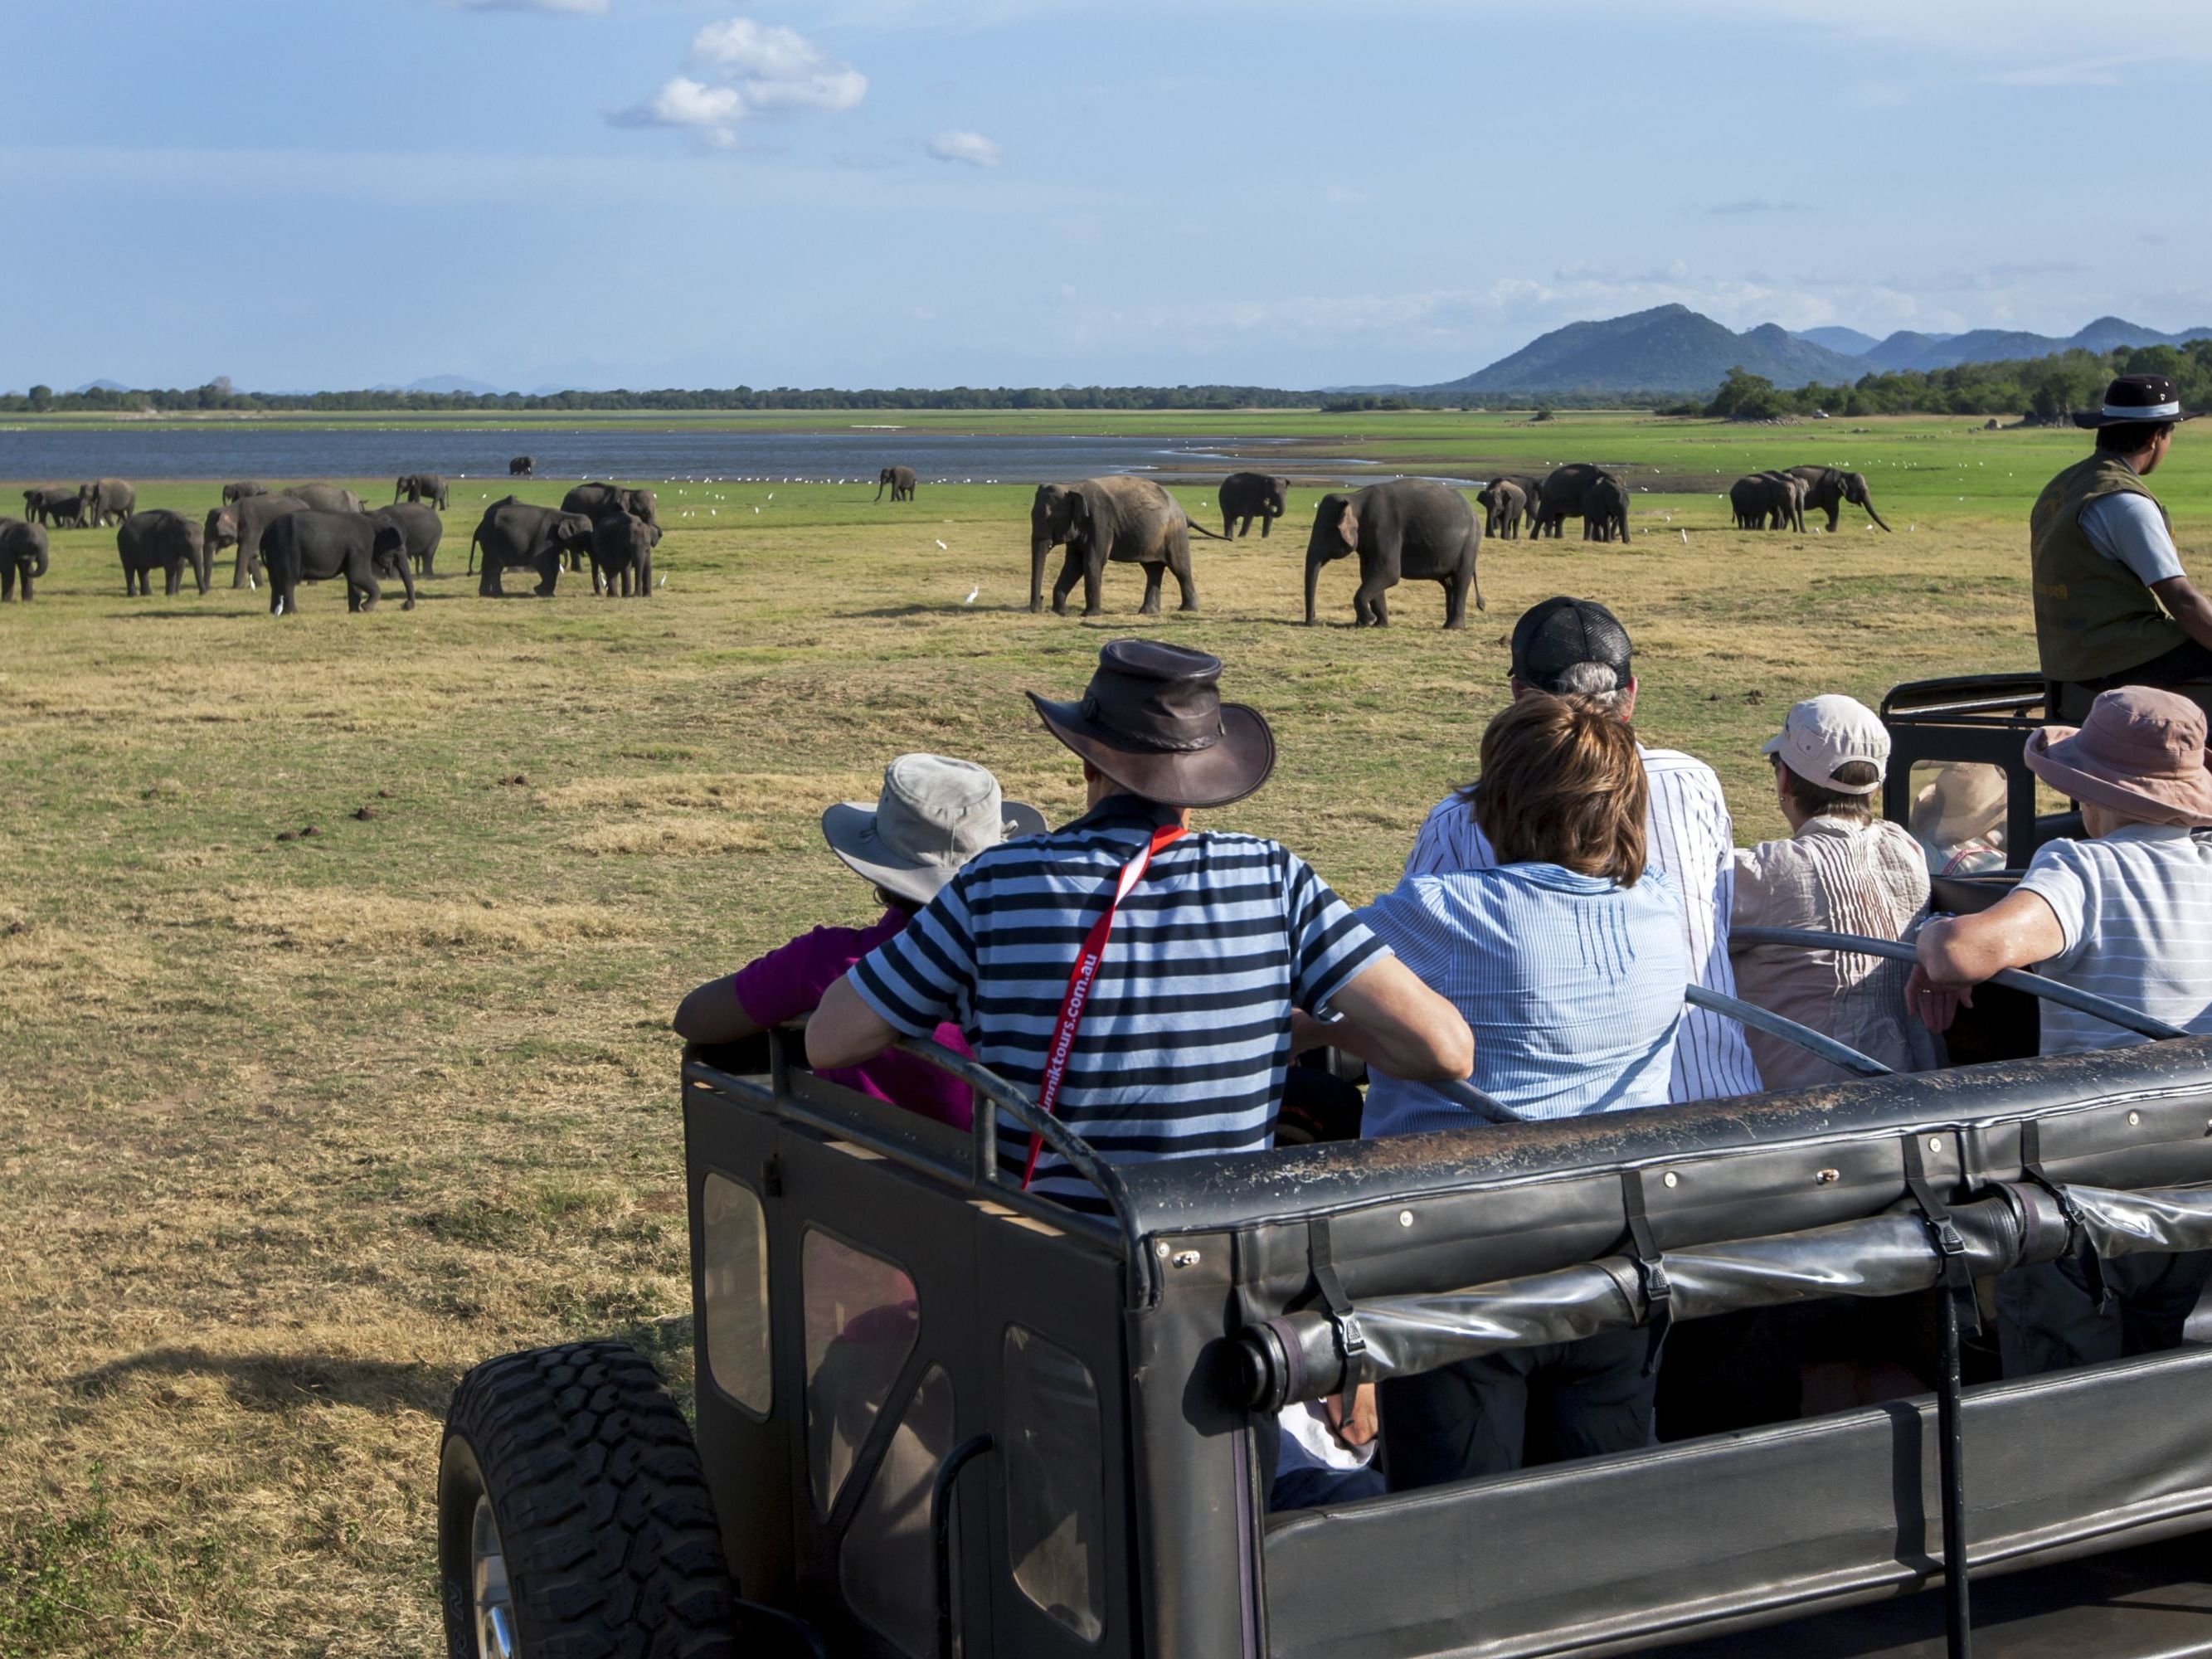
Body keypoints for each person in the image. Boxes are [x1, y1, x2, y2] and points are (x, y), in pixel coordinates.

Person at [805, 639, 1473, 1506]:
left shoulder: (998, 884)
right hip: (1225, 1301)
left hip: (1053, 1291)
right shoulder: (1275, 878)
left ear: (1087, 760)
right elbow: (1445, 1048)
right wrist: (1289, 1031)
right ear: (1207, 774)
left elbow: (830, 1040)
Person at [1359, 693, 1685, 1486]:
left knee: (1454, 1511)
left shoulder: (1440, 913)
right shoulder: (1658, 908)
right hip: (1614, 1251)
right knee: (1600, 1497)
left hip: (1454, 1261)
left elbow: (1313, 984)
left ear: (1495, 806)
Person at [1908, 687, 2212, 1374]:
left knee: (2057, 1380)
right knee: (2159, 1368)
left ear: (2090, 793)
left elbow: (1961, 953)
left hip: (2089, 1183)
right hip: (2194, 1177)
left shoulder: (2083, 867)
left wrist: (1932, 936)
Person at [1407, 595, 1762, 1103]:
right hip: (1721, 1100)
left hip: (1544, 1124)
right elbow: (1717, 916)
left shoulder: (1462, 815)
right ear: (1630, 694)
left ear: (1521, 698)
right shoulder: (1693, 782)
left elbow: (1402, 978)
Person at [672, 752, 1045, 1130]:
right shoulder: (1038, 963)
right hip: (1004, 1164)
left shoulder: (830, 960)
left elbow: (695, 1019)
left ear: (881, 867)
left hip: (856, 1157)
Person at [1728, 694, 1931, 1090]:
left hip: (1804, 1103)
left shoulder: (1768, 872)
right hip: (1909, 1086)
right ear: (1873, 788)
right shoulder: (1906, 848)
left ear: (1785, 781)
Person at [2030, 372, 2211, 694]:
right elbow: (2182, 600)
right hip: (2115, 660)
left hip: (2064, 657)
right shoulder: (2126, 502)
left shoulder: (2064, 484)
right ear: (2155, 438)